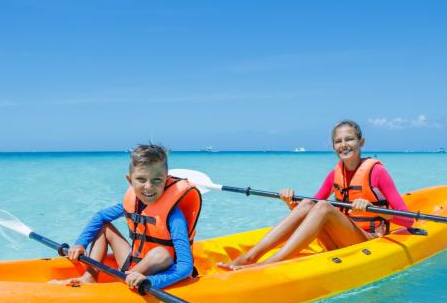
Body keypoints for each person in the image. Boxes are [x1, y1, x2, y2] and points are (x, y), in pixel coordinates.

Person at [219, 120, 414, 269]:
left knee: (322, 205)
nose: (344, 145)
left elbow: (408, 220)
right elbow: (308, 209)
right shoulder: (335, 173)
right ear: (333, 147)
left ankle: (269, 263)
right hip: (337, 242)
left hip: (368, 240)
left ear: (361, 142)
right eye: (338, 141)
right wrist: (290, 201)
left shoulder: (377, 172)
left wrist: (378, 210)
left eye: (349, 139)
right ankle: (250, 257)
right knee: (308, 203)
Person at [62, 144, 201, 290]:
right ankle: (89, 277)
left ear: (166, 181)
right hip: (132, 264)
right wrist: (81, 243)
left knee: (160, 253)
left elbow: (185, 266)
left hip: (162, 270)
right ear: (130, 180)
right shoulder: (132, 203)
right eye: (141, 179)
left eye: (157, 180)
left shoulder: (174, 216)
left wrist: (151, 281)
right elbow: (100, 216)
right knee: (103, 227)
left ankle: (128, 281)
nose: (148, 186)